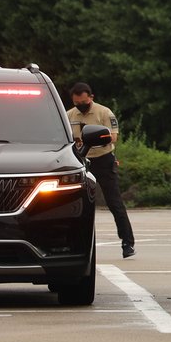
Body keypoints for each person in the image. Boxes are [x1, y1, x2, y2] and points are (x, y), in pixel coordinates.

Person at [68, 82, 135, 258]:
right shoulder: (69, 115)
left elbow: (113, 136)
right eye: (77, 103)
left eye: (84, 102)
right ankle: (70, 243)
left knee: (114, 202)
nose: (81, 106)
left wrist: (94, 139)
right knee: (71, 204)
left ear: (91, 98)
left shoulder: (104, 113)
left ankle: (127, 242)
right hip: (79, 160)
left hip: (103, 160)